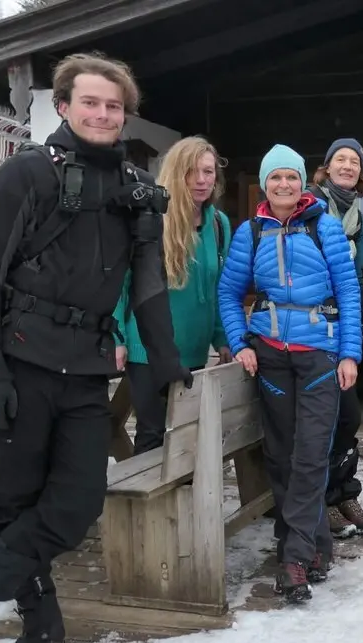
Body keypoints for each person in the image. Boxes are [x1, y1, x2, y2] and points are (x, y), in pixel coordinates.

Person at [0, 53, 189, 643]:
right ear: (63, 106)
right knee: (18, 506)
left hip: (85, 371)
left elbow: (146, 284)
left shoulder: (132, 189)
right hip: (21, 363)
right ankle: (42, 637)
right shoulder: (24, 175)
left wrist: (165, 361)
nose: (103, 114)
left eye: (114, 106)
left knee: (76, 504)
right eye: (91, 102)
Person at [217, 143, 362, 604]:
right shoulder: (250, 232)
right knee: (280, 455)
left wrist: (349, 354)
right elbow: (228, 293)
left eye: (292, 177)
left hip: (319, 354)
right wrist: (240, 343)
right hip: (271, 356)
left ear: (304, 182)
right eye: (275, 177)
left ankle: (294, 558)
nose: (284, 185)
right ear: (264, 183)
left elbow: (350, 294)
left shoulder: (327, 228)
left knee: (311, 453)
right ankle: (316, 545)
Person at [113, 135, 232, 455]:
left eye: (208, 172)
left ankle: (184, 507)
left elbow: (219, 287)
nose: (201, 180)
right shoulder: (152, 218)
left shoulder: (219, 224)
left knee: (187, 445)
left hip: (194, 350)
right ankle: (148, 508)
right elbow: (122, 282)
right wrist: (117, 337)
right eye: (192, 171)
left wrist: (223, 338)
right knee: (152, 440)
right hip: (147, 351)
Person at [306, 137, 363, 538]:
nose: (348, 166)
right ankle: (323, 498)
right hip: (315, 326)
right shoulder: (311, 206)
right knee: (325, 418)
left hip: (346, 323)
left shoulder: (359, 217)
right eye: (341, 159)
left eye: (354, 161)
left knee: (349, 417)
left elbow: (361, 273)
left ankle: (345, 490)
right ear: (327, 167)